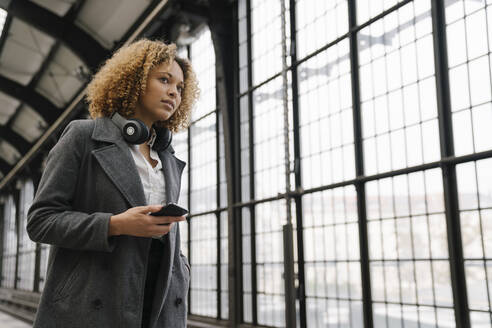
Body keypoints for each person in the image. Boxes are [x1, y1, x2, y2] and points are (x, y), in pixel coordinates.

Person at [27, 39, 199, 328]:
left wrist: (180, 267)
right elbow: (40, 221)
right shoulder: (83, 137)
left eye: (180, 87)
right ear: (134, 81)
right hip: (93, 302)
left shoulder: (167, 158)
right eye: (164, 80)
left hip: (157, 302)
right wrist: (114, 225)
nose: (173, 92)